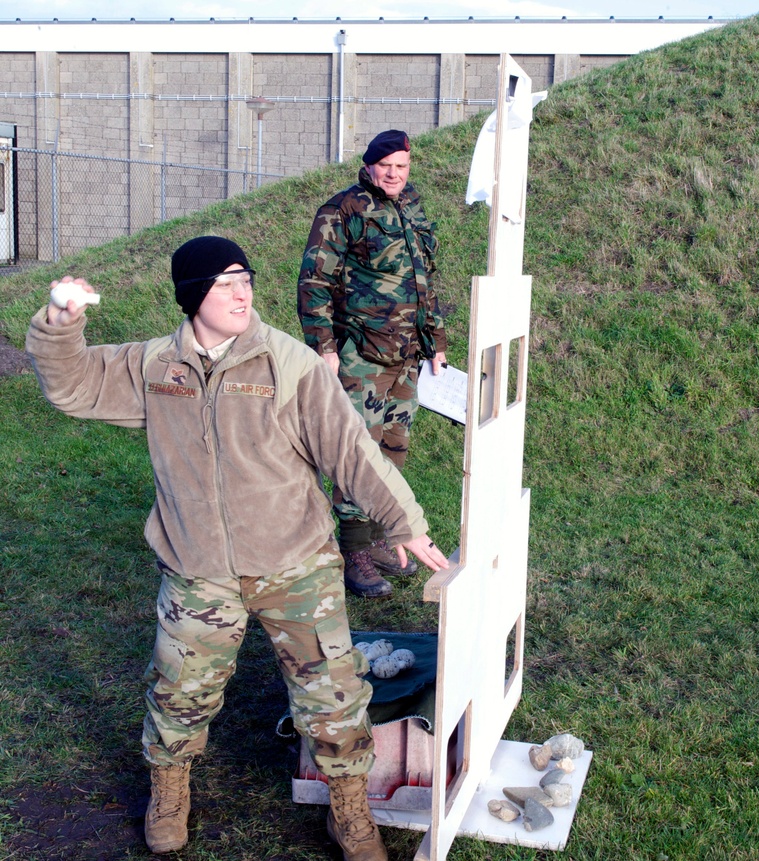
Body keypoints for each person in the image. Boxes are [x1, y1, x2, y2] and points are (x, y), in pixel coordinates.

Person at [25, 236, 449, 861]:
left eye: (244, 277)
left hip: (295, 565)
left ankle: (351, 812)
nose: (241, 291)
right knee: (178, 693)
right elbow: (74, 384)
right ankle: (169, 793)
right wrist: (60, 324)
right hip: (199, 571)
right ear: (193, 294)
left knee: (334, 697)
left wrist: (403, 521)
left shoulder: (289, 363)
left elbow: (350, 450)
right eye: (223, 282)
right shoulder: (154, 367)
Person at [298, 129, 447, 599]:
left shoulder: (411, 205)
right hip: (360, 353)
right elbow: (315, 280)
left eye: (402, 166)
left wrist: (436, 341)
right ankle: (354, 550)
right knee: (356, 450)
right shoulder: (342, 210)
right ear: (369, 165)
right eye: (386, 166)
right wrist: (322, 346)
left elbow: (424, 280)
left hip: (407, 355)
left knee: (394, 446)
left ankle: (385, 535)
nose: (394, 174)